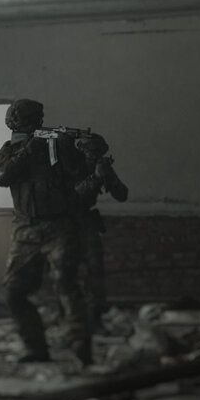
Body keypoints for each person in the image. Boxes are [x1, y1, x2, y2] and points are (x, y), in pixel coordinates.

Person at [0, 98, 93, 364]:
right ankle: (35, 348)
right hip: (25, 229)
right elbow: (1, 177)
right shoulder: (11, 149)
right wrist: (29, 150)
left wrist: (70, 147)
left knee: (65, 284)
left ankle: (80, 345)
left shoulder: (57, 144)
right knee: (13, 292)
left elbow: (80, 173)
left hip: (59, 225)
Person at [72, 134, 128, 331]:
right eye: (89, 151)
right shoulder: (71, 166)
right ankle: (70, 316)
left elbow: (122, 195)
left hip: (87, 223)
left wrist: (108, 177)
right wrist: (95, 177)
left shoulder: (101, 166)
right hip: (66, 222)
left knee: (95, 270)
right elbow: (72, 196)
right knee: (66, 272)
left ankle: (95, 316)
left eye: (97, 152)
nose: (93, 155)